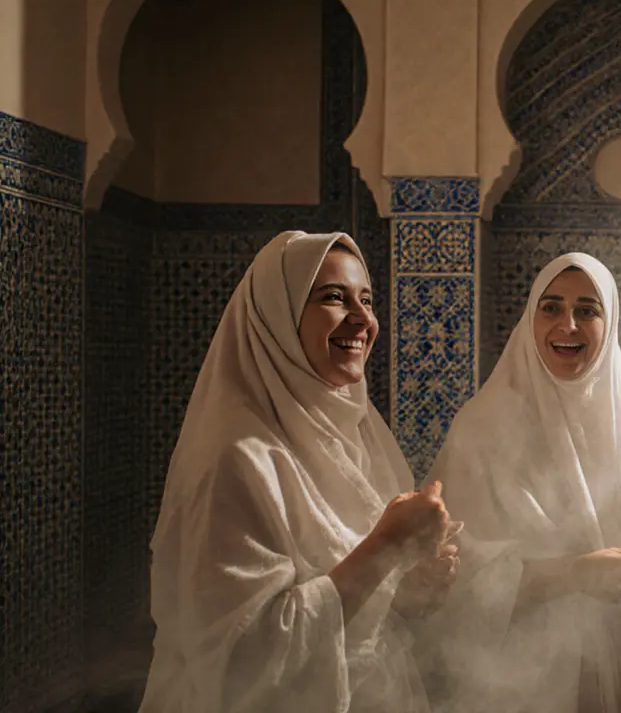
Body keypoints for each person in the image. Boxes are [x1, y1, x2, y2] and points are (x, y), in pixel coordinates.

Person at [140, 231, 457, 713]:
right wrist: (385, 548)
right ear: (278, 317)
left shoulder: (356, 434)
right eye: (333, 297)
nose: (362, 318)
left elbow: (346, 596)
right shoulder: (236, 460)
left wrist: (403, 588)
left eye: (366, 300)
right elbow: (240, 665)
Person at [421, 253, 621, 713]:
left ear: (609, 324)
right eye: (550, 307)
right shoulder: (483, 427)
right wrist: (575, 573)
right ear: (530, 319)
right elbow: (453, 578)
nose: (567, 324)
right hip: (507, 674)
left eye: (587, 310)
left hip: (604, 660)